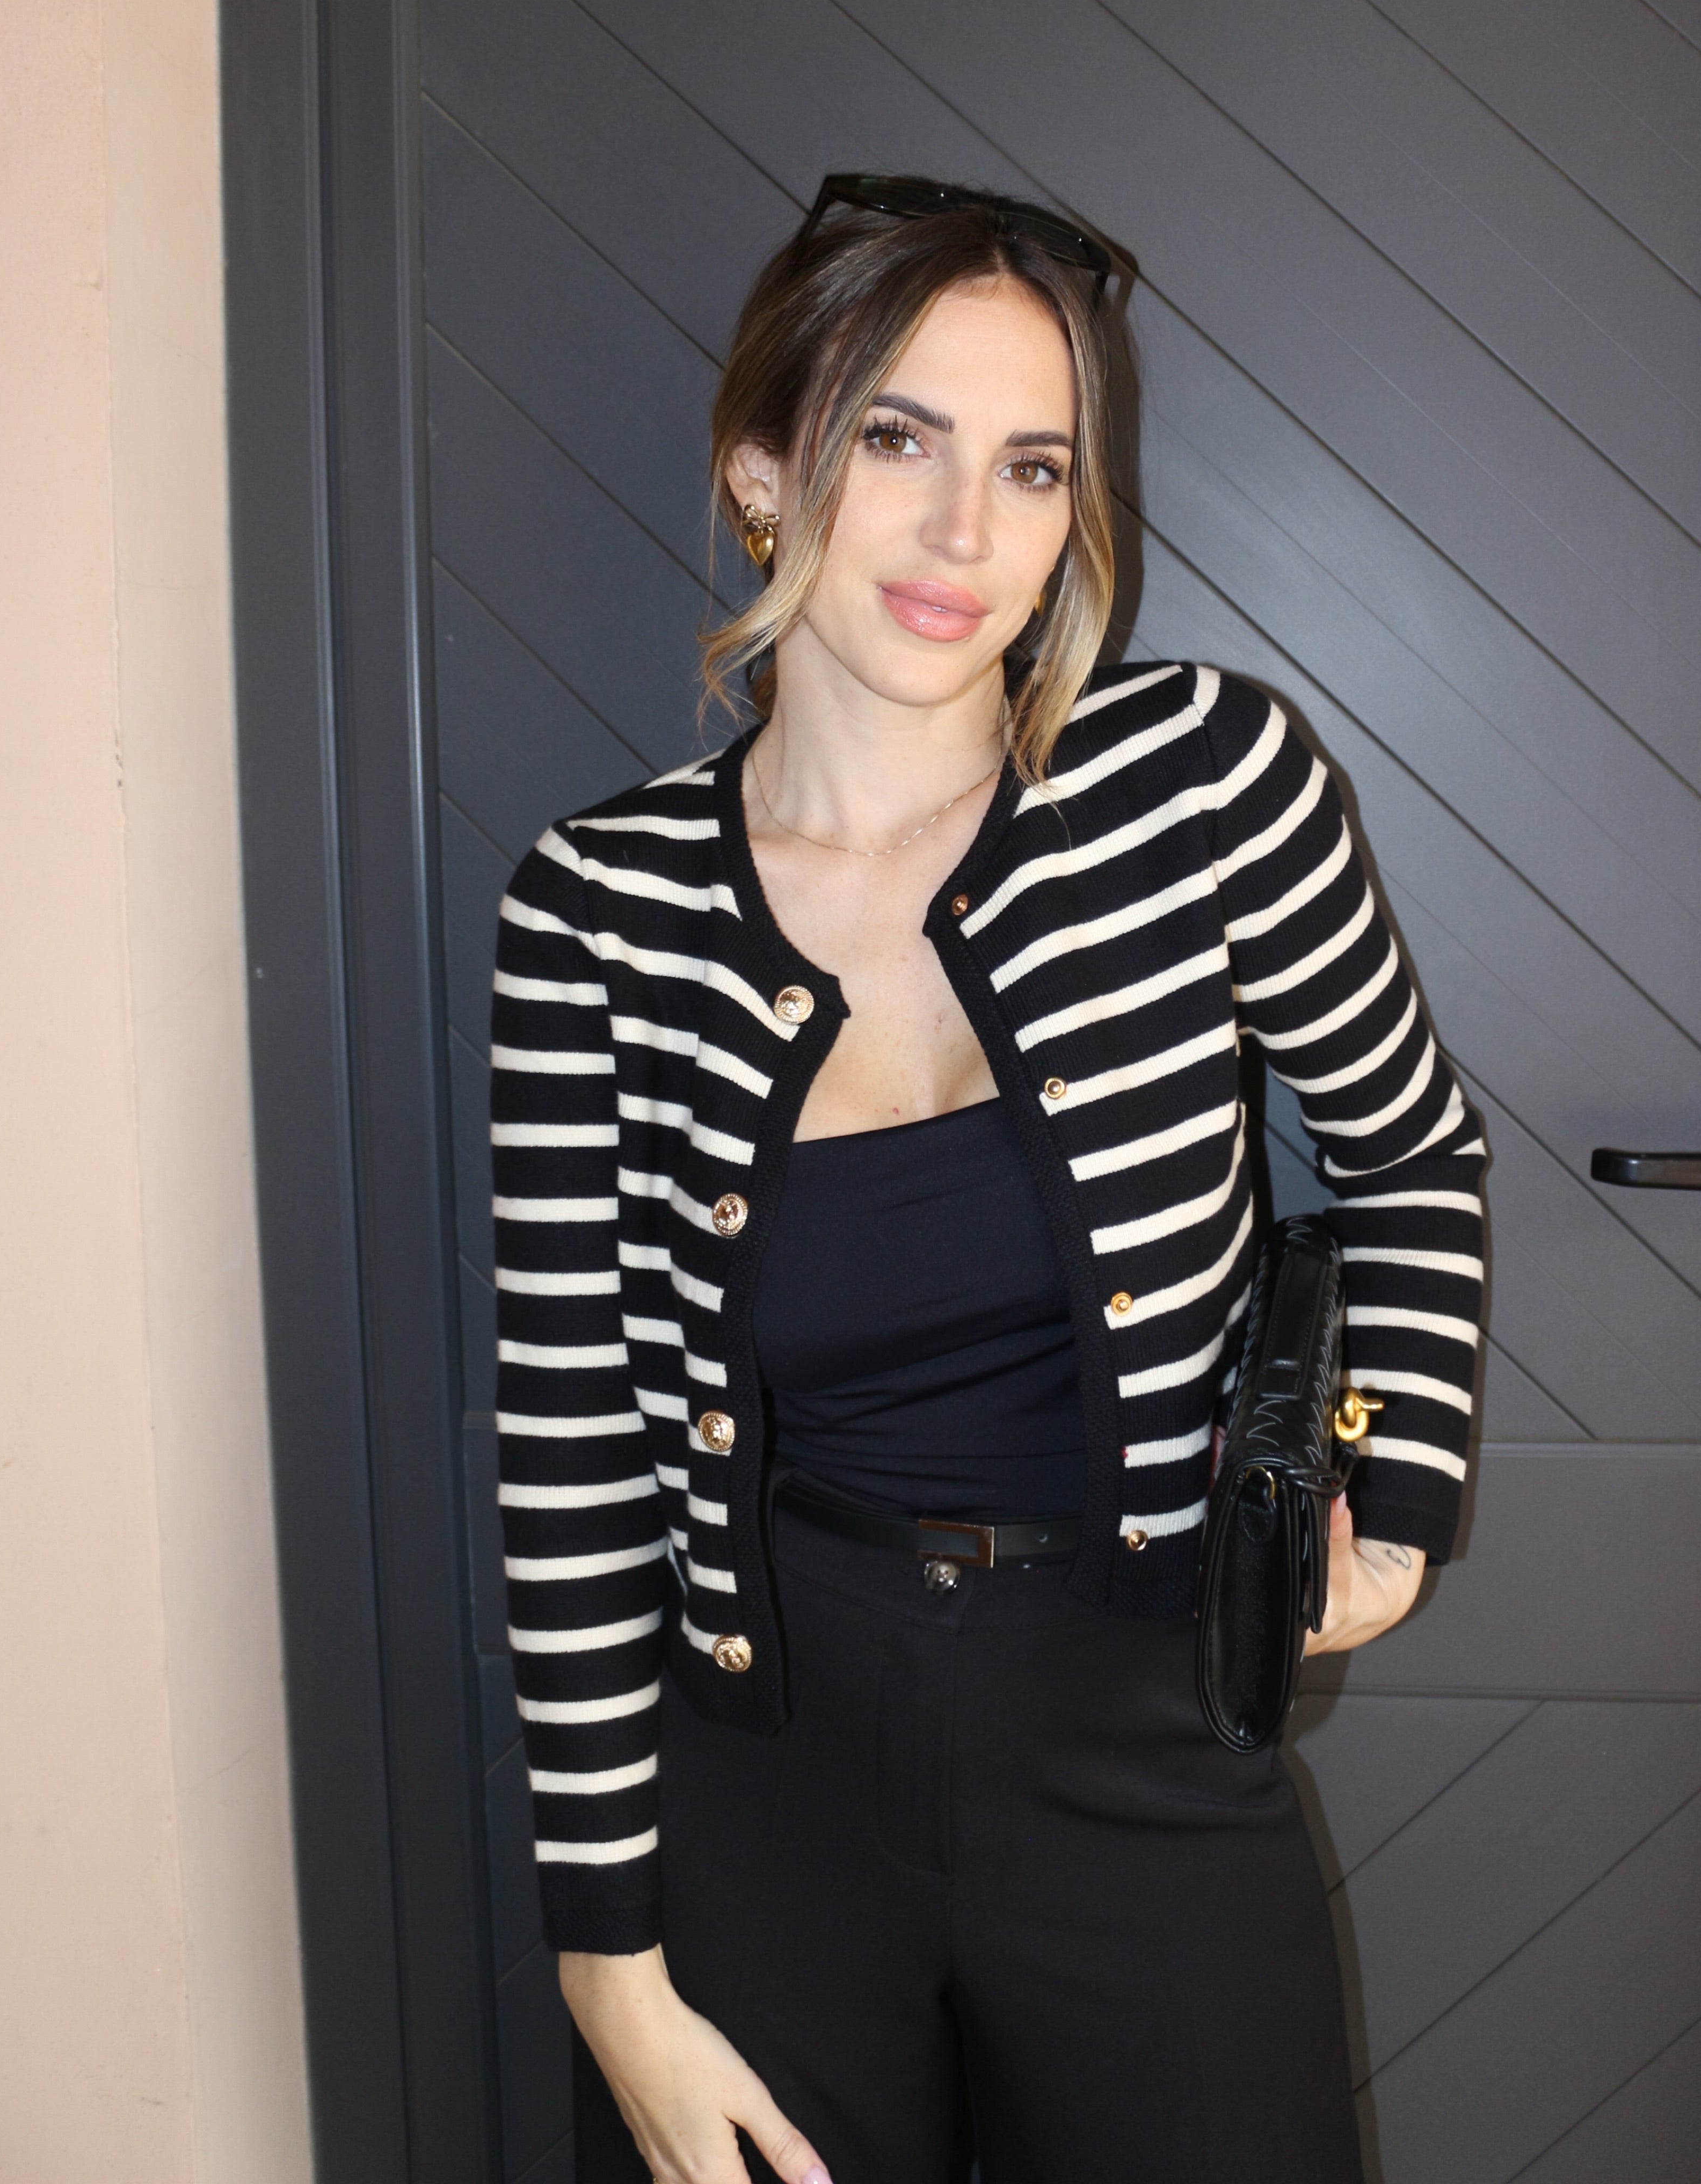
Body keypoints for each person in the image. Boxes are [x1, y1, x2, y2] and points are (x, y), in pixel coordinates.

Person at [490, 176, 1486, 2184]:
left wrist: (1400, 1510)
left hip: (1145, 1734)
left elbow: (1411, 1151)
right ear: (762, 472)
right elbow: (575, 1455)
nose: (968, 533)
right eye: (898, 438)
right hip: (764, 1778)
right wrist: (609, 1962)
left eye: (1034, 467)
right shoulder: (597, 912)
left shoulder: (1207, 785)